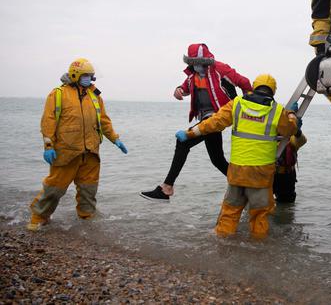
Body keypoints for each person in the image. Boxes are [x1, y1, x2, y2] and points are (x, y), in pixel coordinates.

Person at [175, 74, 298, 239]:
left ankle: (222, 246)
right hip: (261, 174)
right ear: (273, 91)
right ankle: (259, 251)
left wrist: (189, 133)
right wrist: (291, 115)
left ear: (254, 87)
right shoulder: (277, 111)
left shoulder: (236, 104)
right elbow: (290, 131)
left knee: (230, 211)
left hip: (237, 171)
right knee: (259, 215)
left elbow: (213, 123)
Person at [141, 43, 252, 201]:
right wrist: (178, 90)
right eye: (192, 62)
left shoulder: (221, 69)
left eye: (198, 62)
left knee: (183, 142)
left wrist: (248, 105)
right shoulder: (192, 75)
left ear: (206, 60)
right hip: (205, 118)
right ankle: (244, 188)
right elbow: (185, 87)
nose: (196, 66)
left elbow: (244, 82)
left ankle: (166, 188)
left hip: (219, 116)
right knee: (217, 160)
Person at [28, 58, 127, 231]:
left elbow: (103, 121)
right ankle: (39, 217)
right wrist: (48, 146)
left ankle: (87, 219)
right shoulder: (58, 94)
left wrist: (115, 139)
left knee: (89, 189)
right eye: (86, 75)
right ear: (76, 75)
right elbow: (48, 122)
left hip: (90, 152)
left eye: (91, 75)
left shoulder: (94, 95)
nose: (89, 78)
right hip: (66, 152)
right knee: (54, 188)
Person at [273, 104, 307, 203]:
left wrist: (296, 131)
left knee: (286, 202)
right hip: (269, 174)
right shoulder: (268, 137)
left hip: (286, 176)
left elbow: (302, 140)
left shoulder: (290, 139)